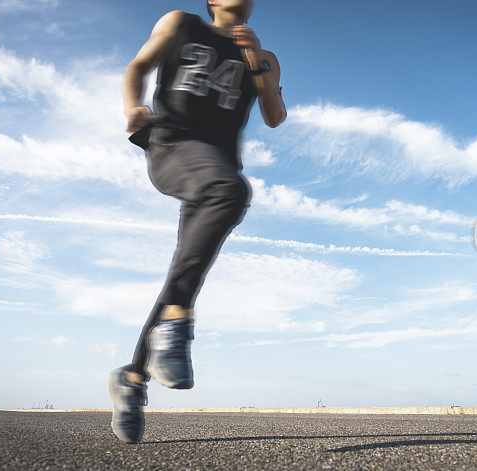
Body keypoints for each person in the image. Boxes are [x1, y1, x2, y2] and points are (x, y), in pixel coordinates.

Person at [108, 0, 286, 444]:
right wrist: (133, 106)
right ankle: (177, 321)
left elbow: (275, 115)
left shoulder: (263, 56)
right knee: (231, 192)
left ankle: (131, 377)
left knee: (183, 273)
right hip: (172, 145)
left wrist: (256, 64)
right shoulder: (181, 23)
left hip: (216, 164)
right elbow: (138, 66)